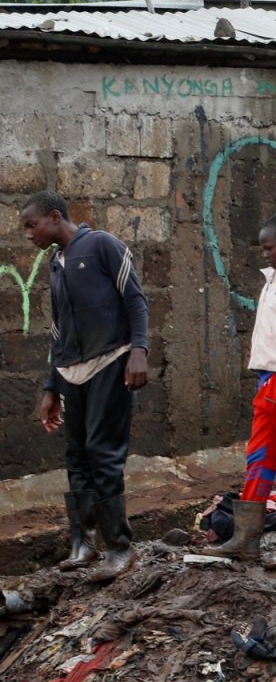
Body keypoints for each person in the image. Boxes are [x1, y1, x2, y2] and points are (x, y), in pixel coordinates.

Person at [21, 191, 149, 582]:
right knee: (76, 454)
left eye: (32, 225)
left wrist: (139, 350)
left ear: (54, 217)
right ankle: (84, 542)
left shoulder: (102, 245)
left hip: (110, 361)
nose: (29, 235)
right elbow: (58, 329)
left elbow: (136, 300)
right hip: (71, 371)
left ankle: (120, 548)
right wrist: (51, 386)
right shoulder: (56, 263)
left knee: (102, 452)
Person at [206, 213, 276, 567]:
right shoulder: (274, 280)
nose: (266, 253)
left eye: (270, 248)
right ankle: (246, 539)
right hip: (270, 378)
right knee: (259, 454)